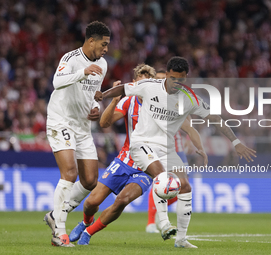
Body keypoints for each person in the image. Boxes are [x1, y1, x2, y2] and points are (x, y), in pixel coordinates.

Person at [101, 56, 257, 248]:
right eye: (174, 78)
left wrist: (236, 141)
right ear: (166, 75)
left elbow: (215, 118)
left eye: (182, 79)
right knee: (162, 177)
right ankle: (164, 224)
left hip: (166, 147)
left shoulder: (189, 97)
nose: (177, 83)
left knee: (185, 186)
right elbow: (123, 88)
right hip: (141, 143)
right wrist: (102, 95)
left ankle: (181, 239)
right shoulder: (150, 85)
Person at [68, 64, 156, 245]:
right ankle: (86, 221)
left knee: (122, 200)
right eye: (140, 83)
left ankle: (89, 233)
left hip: (147, 167)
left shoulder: (160, 105)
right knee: (91, 202)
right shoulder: (128, 102)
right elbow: (104, 122)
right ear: (133, 84)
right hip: (124, 161)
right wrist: (115, 100)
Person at [44, 21, 111, 247]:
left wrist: (96, 107)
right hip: (60, 119)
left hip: (83, 126)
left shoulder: (103, 64)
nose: (106, 49)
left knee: (90, 180)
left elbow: (94, 93)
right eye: (103, 44)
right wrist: (82, 72)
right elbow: (57, 82)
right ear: (91, 40)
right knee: (70, 173)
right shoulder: (71, 58)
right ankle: (59, 232)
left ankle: (55, 214)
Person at [145, 70, 204, 234]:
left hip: (176, 146)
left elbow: (186, 117)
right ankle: (151, 222)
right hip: (159, 146)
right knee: (160, 181)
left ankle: (158, 214)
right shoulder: (150, 98)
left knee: (182, 185)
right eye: (158, 79)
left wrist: (188, 138)